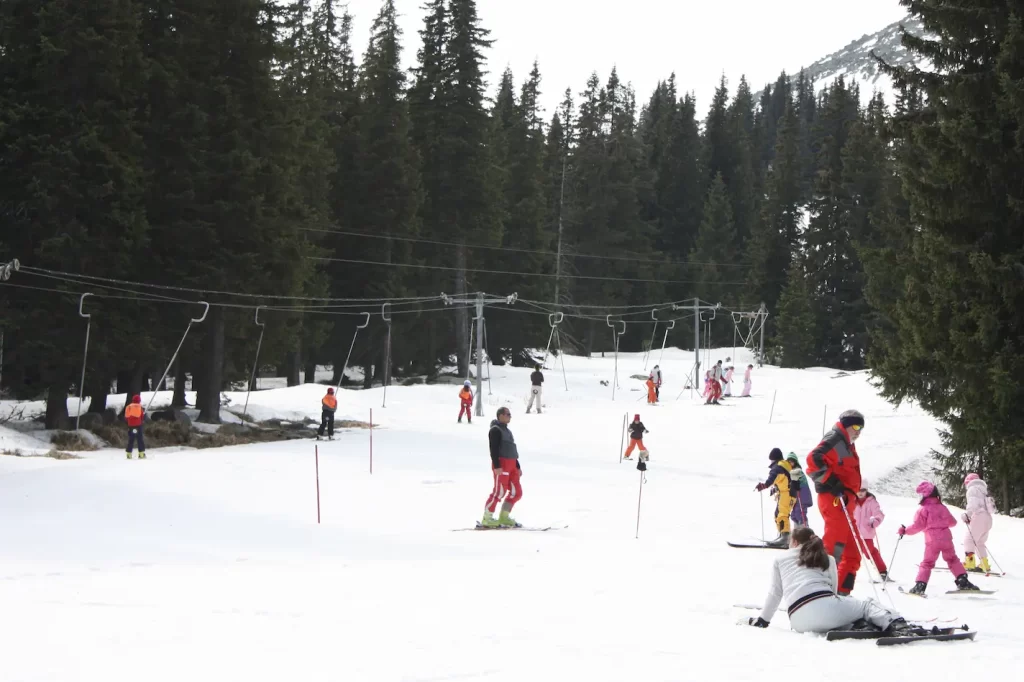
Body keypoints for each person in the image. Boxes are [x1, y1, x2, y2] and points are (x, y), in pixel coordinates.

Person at [747, 527, 919, 636]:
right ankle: (897, 625)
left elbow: (775, 593)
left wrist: (763, 620)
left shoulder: (780, 558)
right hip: (826, 607)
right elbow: (834, 592)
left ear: (794, 541)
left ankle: (857, 626)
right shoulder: (827, 558)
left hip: (798, 620)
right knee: (866, 605)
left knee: (841, 611)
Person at [805, 409, 865, 595]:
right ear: (846, 425)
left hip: (847, 503)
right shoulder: (836, 439)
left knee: (853, 553)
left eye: (861, 428)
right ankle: (817, 590)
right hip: (835, 500)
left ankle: (842, 594)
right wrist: (832, 484)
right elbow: (813, 460)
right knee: (834, 550)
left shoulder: (846, 444)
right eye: (855, 426)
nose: (858, 431)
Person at [899, 481, 979, 595]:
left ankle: (920, 585)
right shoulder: (942, 507)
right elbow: (952, 522)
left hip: (932, 540)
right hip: (946, 539)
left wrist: (905, 531)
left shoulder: (923, 510)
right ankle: (963, 581)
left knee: (927, 563)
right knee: (952, 559)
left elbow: (918, 526)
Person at [481, 407, 522, 527]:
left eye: (510, 414)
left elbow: (512, 448)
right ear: (500, 415)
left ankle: (504, 516)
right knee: (500, 491)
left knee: (517, 492)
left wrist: (517, 466)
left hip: (512, 464)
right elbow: (493, 449)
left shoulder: (507, 431)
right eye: (508, 414)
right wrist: (497, 465)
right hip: (502, 464)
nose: (510, 416)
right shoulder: (495, 430)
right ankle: (487, 517)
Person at [756, 448, 794, 547]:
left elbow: (773, 477)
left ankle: (785, 539)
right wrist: (775, 489)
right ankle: (783, 536)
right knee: (778, 514)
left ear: (774, 459)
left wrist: (764, 485)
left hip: (787, 494)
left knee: (782, 515)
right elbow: (783, 479)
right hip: (789, 493)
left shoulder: (778, 468)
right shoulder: (786, 465)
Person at [962, 473, 997, 573]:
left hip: (979, 516)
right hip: (988, 518)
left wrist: (967, 515)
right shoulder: (984, 490)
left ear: (968, 482)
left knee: (969, 540)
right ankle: (984, 564)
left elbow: (973, 504)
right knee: (979, 542)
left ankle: (969, 563)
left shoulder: (973, 489)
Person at [854, 488, 888, 580]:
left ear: (866, 491)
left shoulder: (871, 501)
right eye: (858, 490)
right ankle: (842, 572)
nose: (860, 493)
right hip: (853, 533)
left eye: (863, 490)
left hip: (866, 532)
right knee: (848, 553)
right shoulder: (852, 500)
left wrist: (876, 520)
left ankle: (882, 571)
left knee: (870, 552)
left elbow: (879, 514)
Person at [786, 452, 813, 531]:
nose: (790, 463)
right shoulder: (790, 472)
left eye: (792, 461)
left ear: (795, 462)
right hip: (796, 496)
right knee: (794, 515)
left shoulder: (797, 470)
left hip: (802, 495)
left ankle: (805, 530)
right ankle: (797, 532)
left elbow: (794, 476)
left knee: (800, 512)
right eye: (789, 462)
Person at [124, 394, 146, 460]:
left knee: (131, 439)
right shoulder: (139, 407)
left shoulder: (128, 407)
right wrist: (141, 420)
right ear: (139, 401)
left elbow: (126, 417)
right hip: (138, 426)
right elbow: (142, 417)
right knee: (140, 439)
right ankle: (141, 454)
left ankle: (128, 454)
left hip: (131, 426)